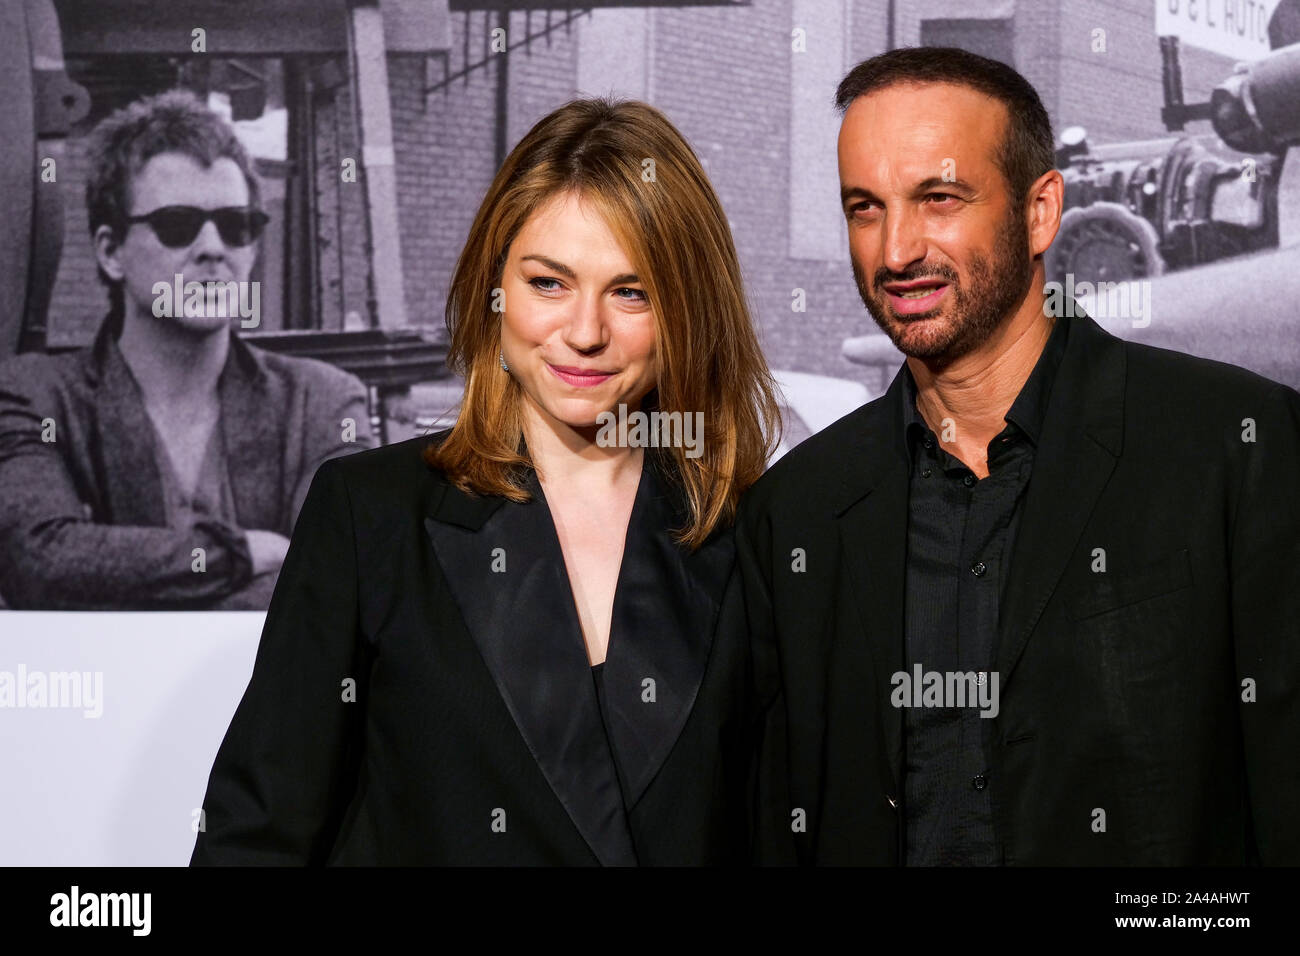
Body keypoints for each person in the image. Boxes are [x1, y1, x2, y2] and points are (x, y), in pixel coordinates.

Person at [739, 47, 1300, 865]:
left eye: (939, 198)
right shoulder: (795, 513)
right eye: (865, 207)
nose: (896, 250)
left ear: (1041, 213)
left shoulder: (1237, 450)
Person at [191, 97, 783, 865]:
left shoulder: (757, 540)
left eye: (631, 292)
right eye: (549, 283)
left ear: (690, 310)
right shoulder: (372, 517)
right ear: (493, 286)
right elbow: (258, 839)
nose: (585, 331)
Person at [0, 90, 372, 610]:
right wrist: (240, 553)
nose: (214, 248)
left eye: (236, 226)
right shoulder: (36, 399)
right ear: (110, 252)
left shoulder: (321, 404)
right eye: (177, 225)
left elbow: (340, 579)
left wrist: (134, 588)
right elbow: (38, 563)